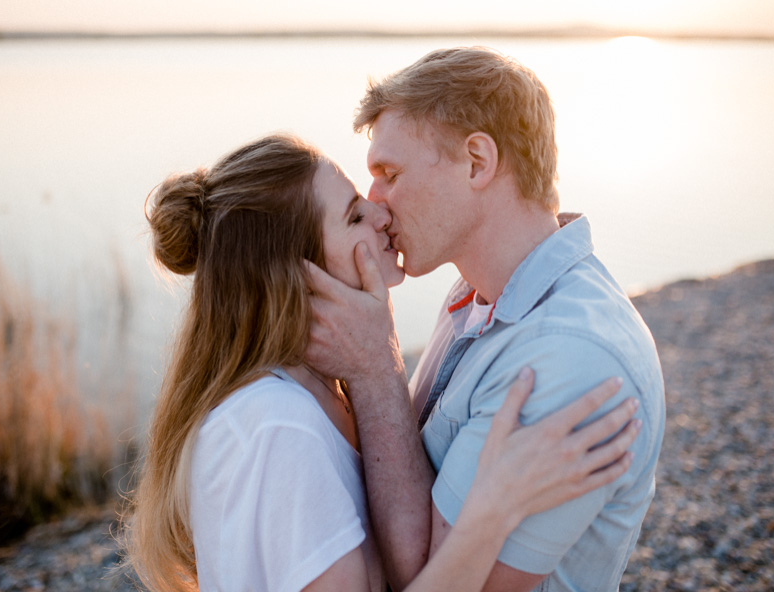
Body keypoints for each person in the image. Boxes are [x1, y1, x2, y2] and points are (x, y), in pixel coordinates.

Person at [121, 134, 643, 592]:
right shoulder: (277, 427)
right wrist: (493, 510)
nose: (380, 212)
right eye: (353, 216)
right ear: (295, 277)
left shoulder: (319, 393)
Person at [305, 47, 666, 591]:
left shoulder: (569, 356)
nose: (375, 205)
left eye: (389, 174)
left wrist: (375, 365)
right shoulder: (479, 292)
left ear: (478, 161)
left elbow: (433, 579)